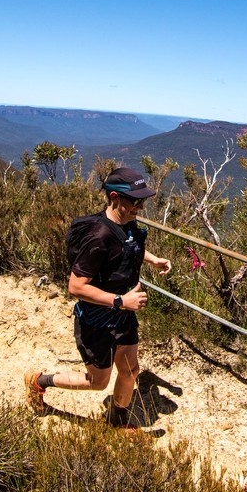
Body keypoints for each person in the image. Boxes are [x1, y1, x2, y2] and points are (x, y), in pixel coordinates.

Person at [25, 167, 172, 427]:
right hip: (97, 320)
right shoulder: (98, 236)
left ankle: (118, 422)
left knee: (130, 371)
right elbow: (76, 286)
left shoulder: (126, 222)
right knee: (97, 382)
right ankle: (39, 381)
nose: (141, 207)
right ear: (115, 198)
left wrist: (152, 259)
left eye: (143, 201)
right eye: (135, 201)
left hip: (123, 317)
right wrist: (120, 301)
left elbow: (128, 245)